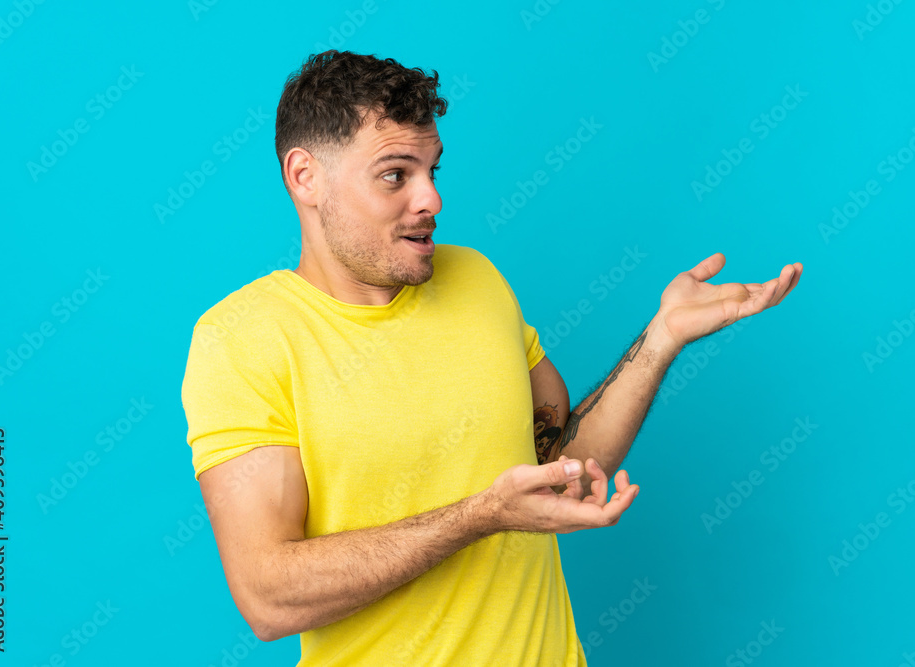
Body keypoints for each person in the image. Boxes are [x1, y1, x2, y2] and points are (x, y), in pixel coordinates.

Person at [180, 50, 802, 667]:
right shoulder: (242, 339)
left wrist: (660, 338)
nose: (432, 200)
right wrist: (479, 517)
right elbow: (268, 598)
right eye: (396, 175)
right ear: (305, 177)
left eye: (433, 170)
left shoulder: (476, 279)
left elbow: (564, 469)